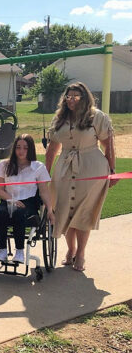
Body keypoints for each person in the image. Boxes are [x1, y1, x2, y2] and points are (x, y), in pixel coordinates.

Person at [45, 81, 116, 272]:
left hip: (91, 169)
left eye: (76, 96)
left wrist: (112, 170)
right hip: (65, 169)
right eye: (68, 96)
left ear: (84, 97)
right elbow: (52, 148)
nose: (72, 100)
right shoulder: (59, 119)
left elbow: (108, 144)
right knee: (65, 211)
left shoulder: (97, 117)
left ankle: (81, 254)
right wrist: (45, 173)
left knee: (84, 212)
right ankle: (70, 250)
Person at [0, 134, 56, 263]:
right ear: (14, 149)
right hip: (8, 200)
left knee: (19, 213)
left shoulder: (38, 167)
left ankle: (20, 252)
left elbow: (44, 192)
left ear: (31, 149)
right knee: (0, 213)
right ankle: (2, 250)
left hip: (29, 203)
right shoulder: (4, 165)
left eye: (25, 148)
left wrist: (50, 210)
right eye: (18, 147)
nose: (21, 151)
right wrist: (12, 200)